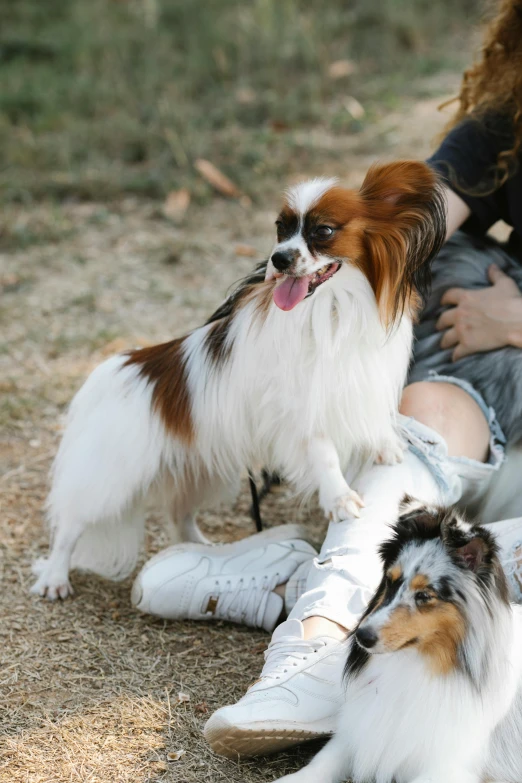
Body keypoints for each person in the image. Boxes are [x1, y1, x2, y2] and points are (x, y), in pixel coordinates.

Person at [131, 0, 522, 758]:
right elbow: (409, 218)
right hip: (479, 366)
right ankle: (316, 644)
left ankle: (300, 577)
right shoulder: (506, 123)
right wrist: (297, 270)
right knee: (439, 379)